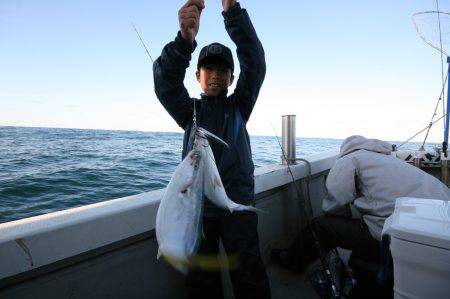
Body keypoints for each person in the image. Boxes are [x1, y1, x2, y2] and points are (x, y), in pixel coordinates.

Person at [153, 0, 270, 298]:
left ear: (232, 77)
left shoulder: (240, 104)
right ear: (198, 76)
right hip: (197, 209)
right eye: (208, 68)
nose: (216, 74)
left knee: (249, 275)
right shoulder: (188, 110)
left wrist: (233, 12)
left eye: (223, 69)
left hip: (237, 204)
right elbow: (165, 82)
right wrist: (184, 41)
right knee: (201, 282)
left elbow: (254, 61)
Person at [272, 135, 450, 278]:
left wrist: (344, 217)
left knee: (320, 226)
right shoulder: (388, 159)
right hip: (438, 239)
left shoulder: (350, 159)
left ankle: (292, 260)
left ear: (344, 149)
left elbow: (334, 206)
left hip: (398, 239)